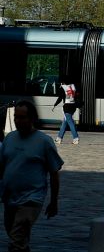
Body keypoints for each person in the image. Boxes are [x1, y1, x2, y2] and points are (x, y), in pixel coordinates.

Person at [0, 101, 62, 252]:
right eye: (16, 117)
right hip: (10, 198)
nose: (18, 121)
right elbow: (2, 168)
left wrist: (54, 202)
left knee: (17, 238)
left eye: (22, 117)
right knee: (16, 236)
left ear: (32, 118)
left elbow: (54, 173)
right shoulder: (10, 139)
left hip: (31, 199)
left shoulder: (44, 141)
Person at [52, 77, 80, 146]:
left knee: (70, 122)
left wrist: (55, 105)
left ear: (63, 82)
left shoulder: (63, 87)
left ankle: (75, 138)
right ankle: (59, 138)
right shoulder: (73, 86)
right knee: (65, 122)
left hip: (67, 106)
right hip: (73, 106)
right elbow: (77, 96)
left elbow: (60, 97)